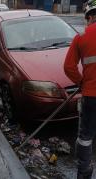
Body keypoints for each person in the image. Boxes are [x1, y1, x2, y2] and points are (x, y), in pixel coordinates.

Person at [64, 1, 96, 178]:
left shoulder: (81, 36)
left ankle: (84, 172)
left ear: (90, 17)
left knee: (85, 137)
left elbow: (69, 67)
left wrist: (81, 82)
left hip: (91, 95)